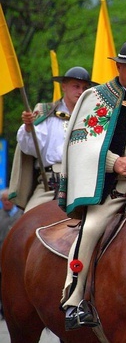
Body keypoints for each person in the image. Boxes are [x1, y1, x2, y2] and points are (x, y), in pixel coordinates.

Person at [58, 40, 126, 330]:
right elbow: (80, 142)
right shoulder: (98, 97)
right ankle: (75, 298)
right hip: (116, 191)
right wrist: (113, 163)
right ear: (118, 67)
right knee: (91, 229)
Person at [10, 67, 94, 211]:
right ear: (64, 86)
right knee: (28, 221)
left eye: (85, 88)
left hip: (82, 186)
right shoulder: (46, 112)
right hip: (49, 185)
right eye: (76, 86)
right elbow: (30, 148)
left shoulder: (92, 117)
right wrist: (29, 128)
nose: (81, 92)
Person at [0, 189, 24, 319]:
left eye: (8, 199)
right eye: (3, 200)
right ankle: (5, 310)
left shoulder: (23, 215)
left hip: (18, 260)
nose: (6, 202)